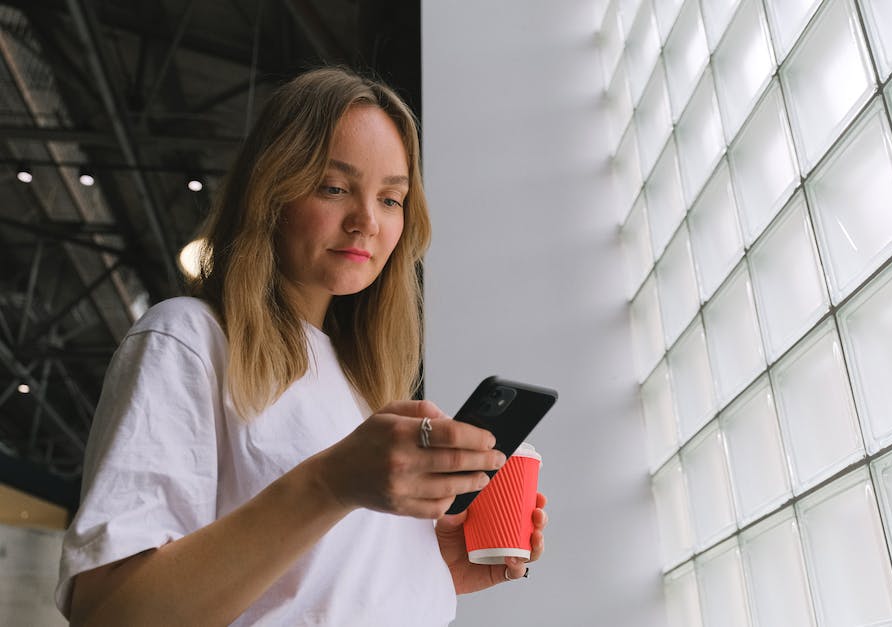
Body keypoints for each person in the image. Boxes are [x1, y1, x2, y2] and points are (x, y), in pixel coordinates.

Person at [55, 66, 547, 626]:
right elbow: (112, 614)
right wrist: (330, 482)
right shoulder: (189, 339)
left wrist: (427, 567)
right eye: (334, 188)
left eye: (391, 198)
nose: (366, 220)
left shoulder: (363, 385)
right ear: (271, 192)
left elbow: (303, 597)